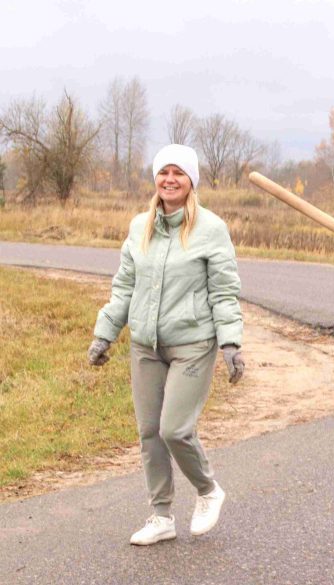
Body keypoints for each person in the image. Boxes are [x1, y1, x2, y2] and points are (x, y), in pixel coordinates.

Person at [87, 144, 245, 546]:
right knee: (149, 432)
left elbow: (224, 291)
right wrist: (105, 333)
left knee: (174, 429)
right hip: (145, 345)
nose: (170, 179)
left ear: (191, 180)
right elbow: (124, 286)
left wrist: (230, 342)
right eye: (163, 172)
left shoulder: (211, 228)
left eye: (178, 173)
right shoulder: (139, 226)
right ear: (155, 178)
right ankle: (161, 516)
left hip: (192, 342)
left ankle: (208, 490)